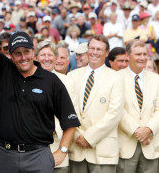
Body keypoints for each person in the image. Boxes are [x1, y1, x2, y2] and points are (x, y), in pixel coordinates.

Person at [0, 0, 80, 173]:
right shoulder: (4, 71)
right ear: (11, 55)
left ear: (34, 52)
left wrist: (62, 150)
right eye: (18, 53)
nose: (23, 57)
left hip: (38, 155)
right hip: (5, 155)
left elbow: (69, 121)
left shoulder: (51, 81)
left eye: (26, 51)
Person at [68, 34, 125, 173]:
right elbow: (68, 110)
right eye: (92, 48)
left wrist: (89, 137)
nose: (94, 52)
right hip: (77, 149)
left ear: (106, 53)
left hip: (103, 151)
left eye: (99, 49)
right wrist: (77, 135)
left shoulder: (116, 77)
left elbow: (114, 113)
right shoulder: (72, 76)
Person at [35, 40, 79, 173]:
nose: (47, 59)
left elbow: (72, 114)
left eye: (50, 55)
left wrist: (62, 147)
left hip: (58, 146)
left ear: (55, 58)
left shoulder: (67, 81)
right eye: (43, 55)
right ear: (36, 58)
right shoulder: (27, 79)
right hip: (32, 149)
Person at [117, 40, 159, 173]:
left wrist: (148, 130)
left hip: (151, 145)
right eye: (138, 54)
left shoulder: (156, 79)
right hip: (125, 146)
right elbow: (117, 109)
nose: (142, 57)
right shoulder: (116, 78)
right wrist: (137, 131)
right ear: (128, 56)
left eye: (144, 54)